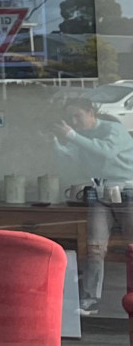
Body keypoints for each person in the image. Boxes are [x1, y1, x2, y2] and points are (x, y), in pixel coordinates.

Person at [55, 96, 133, 314]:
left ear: (91, 112)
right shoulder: (81, 137)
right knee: (94, 247)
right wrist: (54, 142)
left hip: (128, 191)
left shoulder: (113, 129)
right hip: (99, 194)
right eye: (70, 117)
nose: (74, 121)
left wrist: (71, 135)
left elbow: (105, 150)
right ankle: (90, 299)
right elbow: (71, 157)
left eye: (77, 116)